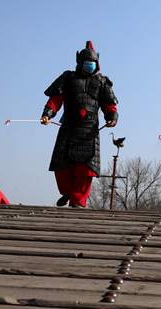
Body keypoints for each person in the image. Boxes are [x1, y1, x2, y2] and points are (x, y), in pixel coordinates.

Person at [41, 41, 118, 207]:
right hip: (69, 128)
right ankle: (67, 192)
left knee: (85, 169)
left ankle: (78, 200)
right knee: (62, 166)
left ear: (96, 63)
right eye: (86, 62)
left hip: (89, 131)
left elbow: (109, 105)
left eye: (92, 63)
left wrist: (112, 117)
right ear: (79, 63)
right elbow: (55, 100)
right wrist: (48, 113)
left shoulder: (102, 82)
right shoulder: (68, 78)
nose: (89, 65)